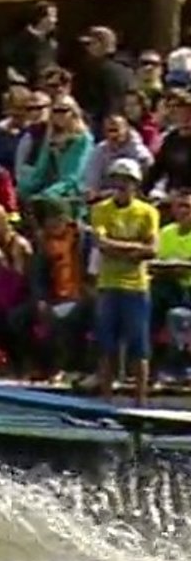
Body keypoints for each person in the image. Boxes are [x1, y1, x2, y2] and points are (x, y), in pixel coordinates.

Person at [90, 157, 159, 405]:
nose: (122, 185)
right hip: (108, 284)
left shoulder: (148, 212)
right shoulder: (100, 210)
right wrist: (134, 248)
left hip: (136, 286)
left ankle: (140, 403)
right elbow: (102, 245)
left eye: (127, 181)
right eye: (118, 180)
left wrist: (120, 247)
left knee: (139, 347)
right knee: (106, 345)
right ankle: (107, 401)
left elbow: (152, 250)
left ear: (135, 184)